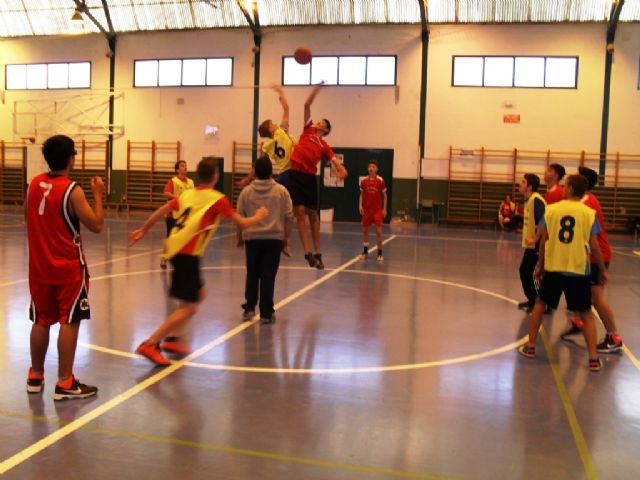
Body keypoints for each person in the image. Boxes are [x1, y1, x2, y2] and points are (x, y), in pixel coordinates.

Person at [130, 157, 268, 365]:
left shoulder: (188, 194)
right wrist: (259, 216)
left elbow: (162, 210)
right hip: (187, 253)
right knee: (190, 307)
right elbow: (243, 223)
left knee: (199, 294)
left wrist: (144, 229)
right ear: (216, 176)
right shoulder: (216, 199)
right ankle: (150, 343)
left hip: (176, 249)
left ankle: (173, 338)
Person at [26, 134, 104, 400]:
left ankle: (35, 376)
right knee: (70, 321)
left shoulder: (33, 184)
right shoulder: (73, 190)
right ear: (71, 159)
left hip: (39, 268)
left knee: (41, 320)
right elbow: (96, 225)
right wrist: (97, 195)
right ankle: (65, 382)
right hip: (67, 268)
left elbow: (30, 217)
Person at [518, 174, 608, 372]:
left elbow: (544, 242)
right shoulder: (589, 213)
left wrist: (541, 265)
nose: (563, 188)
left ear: (570, 189)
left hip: (554, 268)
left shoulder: (551, 210)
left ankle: (530, 347)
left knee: (539, 306)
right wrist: (602, 270)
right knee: (586, 314)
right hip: (578, 269)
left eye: (565, 185)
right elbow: (594, 246)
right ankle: (593, 359)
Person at [559, 166, 623, 353]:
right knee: (578, 290)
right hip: (587, 255)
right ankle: (578, 323)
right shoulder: (584, 200)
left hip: (597, 255)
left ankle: (613, 336)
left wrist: (602, 268)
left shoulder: (586, 203)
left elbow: (590, 239)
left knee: (597, 297)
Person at [288, 82, 347, 270]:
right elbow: (306, 105)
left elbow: (334, 159)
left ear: (326, 129)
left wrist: (341, 169)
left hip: (309, 178)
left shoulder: (324, 145)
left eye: (321, 122)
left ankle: (318, 252)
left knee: (313, 215)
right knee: (299, 213)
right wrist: (317, 89)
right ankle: (307, 253)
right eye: (318, 120)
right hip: (296, 173)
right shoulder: (308, 129)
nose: (317, 122)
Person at [237, 155, 293, 324]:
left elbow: (239, 216)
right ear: (271, 171)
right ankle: (266, 313)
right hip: (274, 239)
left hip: (252, 239)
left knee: (252, 273)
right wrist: (286, 240)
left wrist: (239, 237)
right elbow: (289, 216)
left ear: (255, 172)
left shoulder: (246, 192)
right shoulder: (281, 191)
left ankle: (249, 308)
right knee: (268, 275)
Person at [516, 174, 546, 312]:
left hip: (538, 244)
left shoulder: (536, 200)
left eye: (523, 182)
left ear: (529, 186)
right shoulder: (529, 200)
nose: (520, 184)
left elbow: (543, 221)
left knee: (529, 273)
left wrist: (535, 238)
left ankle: (538, 303)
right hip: (531, 245)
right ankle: (531, 300)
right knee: (523, 271)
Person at [161, 160, 194, 269]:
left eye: (185, 165)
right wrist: (178, 197)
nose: (185, 167)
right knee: (170, 238)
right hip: (173, 215)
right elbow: (166, 193)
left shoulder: (191, 182)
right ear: (177, 170)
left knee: (184, 238)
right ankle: (164, 259)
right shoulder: (173, 181)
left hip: (185, 215)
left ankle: (180, 260)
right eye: (182, 166)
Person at [359, 159, 387, 262]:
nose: (371, 168)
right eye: (370, 166)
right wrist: (360, 205)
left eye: (373, 167)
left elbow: (384, 195)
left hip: (377, 211)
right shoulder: (364, 181)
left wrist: (384, 209)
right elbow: (361, 194)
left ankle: (380, 254)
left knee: (379, 232)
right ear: (368, 168)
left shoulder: (380, 180)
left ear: (377, 169)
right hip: (367, 210)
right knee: (365, 231)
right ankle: (365, 252)